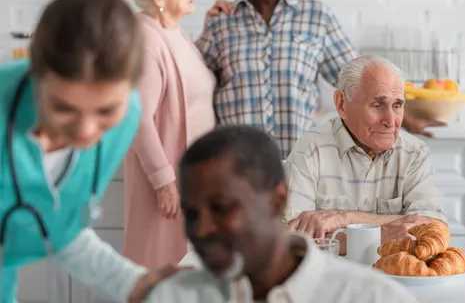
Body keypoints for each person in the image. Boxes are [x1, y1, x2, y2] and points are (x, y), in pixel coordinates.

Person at [0, 0, 179, 303]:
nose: (85, 131)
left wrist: (139, 285)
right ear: (35, 78)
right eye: (63, 108)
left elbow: (62, 229)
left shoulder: (128, 116)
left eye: (106, 111)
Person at [201, 0, 444, 158]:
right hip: (236, 158)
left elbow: (360, 76)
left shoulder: (316, 17)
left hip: (298, 159)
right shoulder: (223, 20)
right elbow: (191, 81)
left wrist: (405, 115)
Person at [146, 125, 419, 302]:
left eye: (222, 207)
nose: (202, 229)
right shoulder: (174, 296)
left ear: (278, 201)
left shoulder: (372, 298)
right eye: (192, 213)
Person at [120, 0, 216, 269]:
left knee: (186, 272)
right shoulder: (146, 39)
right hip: (167, 184)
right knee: (162, 271)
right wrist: (164, 182)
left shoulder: (173, 33)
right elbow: (136, 117)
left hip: (190, 178)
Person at [284, 55, 446, 243]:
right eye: (377, 105)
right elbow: (292, 240)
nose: (391, 121)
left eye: (397, 106)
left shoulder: (415, 154)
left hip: (395, 273)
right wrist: (386, 232)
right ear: (341, 104)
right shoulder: (311, 150)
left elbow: (434, 231)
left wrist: (344, 218)